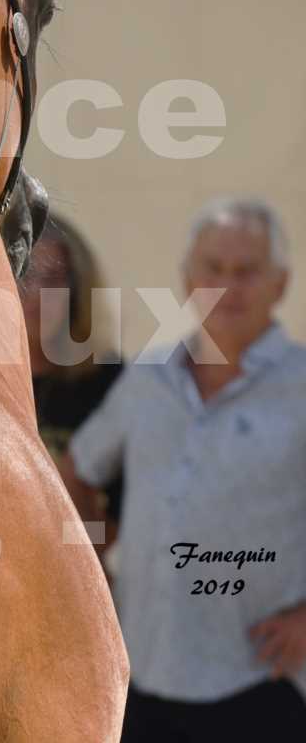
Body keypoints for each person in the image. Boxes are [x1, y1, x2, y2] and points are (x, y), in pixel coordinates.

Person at [61, 196, 306, 741]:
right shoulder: (148, 378)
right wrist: (91, 566)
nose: (229, 285)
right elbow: (75, 470)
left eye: (247, 271)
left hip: (262, 681)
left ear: (281, 284)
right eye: (214, 269)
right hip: (141, 676)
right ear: (188, 280)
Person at [19, 216, 124, 535]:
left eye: (52, 278)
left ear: (77, 288)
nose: (37, 294)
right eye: (25, 274)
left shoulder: (110, 383)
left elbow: (129, 506)